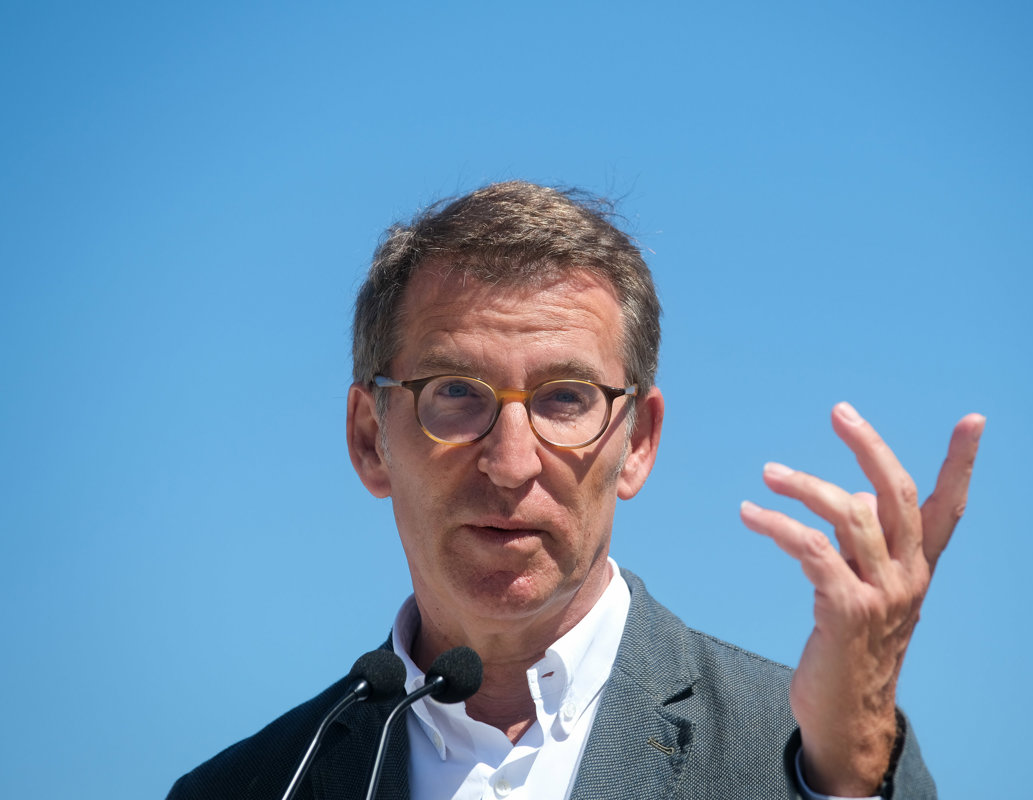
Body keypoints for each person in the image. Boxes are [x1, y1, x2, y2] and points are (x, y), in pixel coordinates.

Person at [167, 181, 985, 800]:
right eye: (456, 393)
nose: (511, 461)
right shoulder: (254, 786)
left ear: (639, 444)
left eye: (565, 398)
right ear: (367, 439)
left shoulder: (803, 757)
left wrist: (854, 762)